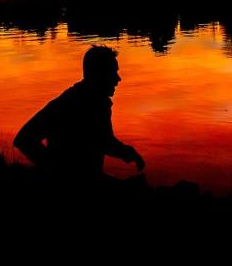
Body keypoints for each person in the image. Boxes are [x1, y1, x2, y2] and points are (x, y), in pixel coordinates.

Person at [13, 45, 145, 180]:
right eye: (113, 72)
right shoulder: (67, 103)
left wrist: (128, 153)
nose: (118, 79)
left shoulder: (99, 103)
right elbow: (24, 139)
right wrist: (54, 168)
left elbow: (104, 141)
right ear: (99, 74)